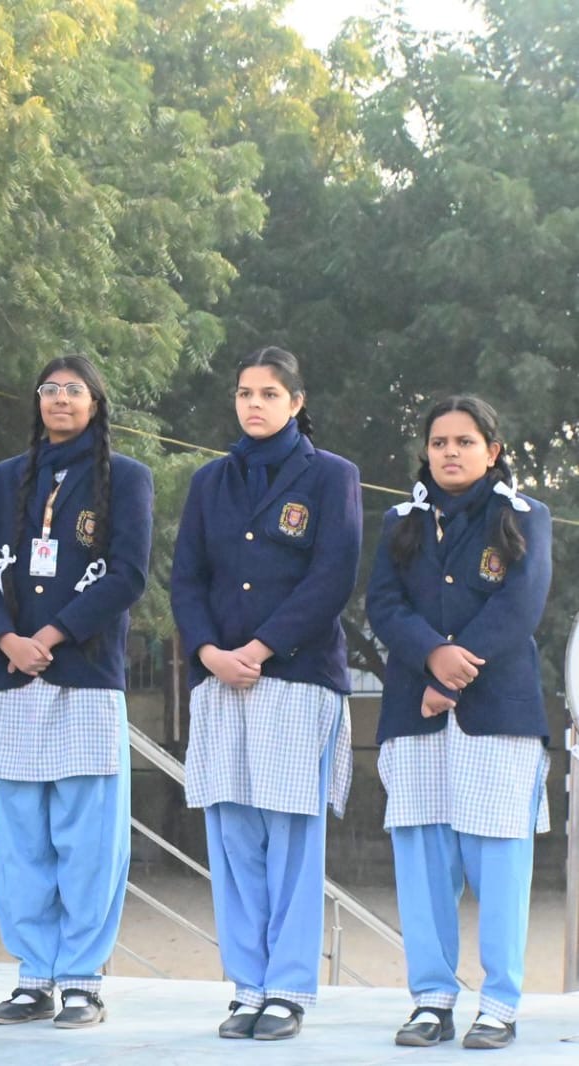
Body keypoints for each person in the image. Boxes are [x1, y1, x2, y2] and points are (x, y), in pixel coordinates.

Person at [169, 347, 360, 1041]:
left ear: (296, 402)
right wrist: (208, 651)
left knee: (290, 838)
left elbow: (331, 576)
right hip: (220, 678)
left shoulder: (330, 475)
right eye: (245, 393)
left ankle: (287, 988)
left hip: (296, 677)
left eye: (269, 393)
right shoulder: (210, 481)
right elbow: (186, 578)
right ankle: (247, 984)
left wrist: (259, 648)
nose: (254, 404)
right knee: (233, 837)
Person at [0, 354, 153, 1029]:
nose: (60, 399)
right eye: (50, 389)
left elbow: (127, 575)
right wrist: (7, 639)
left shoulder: (125, 478)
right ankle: (32, 976)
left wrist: (53, 633)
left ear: (95, 403)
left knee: (87, 837)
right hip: (13, 674)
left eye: (74, 390)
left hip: (84, 673)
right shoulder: (0, 481)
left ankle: (80, 979)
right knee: (21, 838)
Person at [366, 396, 552, 1051]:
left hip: (496, 714)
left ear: (491, 451)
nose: (450, 452)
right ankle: (431, 1000)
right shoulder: (400, 522)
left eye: (465, 441)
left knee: (499, 866)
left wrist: (451, 673)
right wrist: (430, 657)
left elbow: (519, 606)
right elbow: (383, 604)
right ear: (426, 451)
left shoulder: (524, 516)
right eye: (439, 441)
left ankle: (498, 1004)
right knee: (422, 863)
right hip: (413, 715)